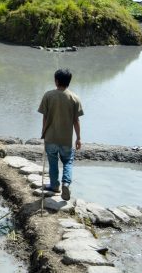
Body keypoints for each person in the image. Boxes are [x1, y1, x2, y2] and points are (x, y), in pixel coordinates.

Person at [37, 68, 83, 201]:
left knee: (52, 162)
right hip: (66, 140)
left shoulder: (48, 95)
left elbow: (45, 117)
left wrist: (43, 133)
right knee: (68, 162)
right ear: (69, 81)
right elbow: (76, 120)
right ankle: (66, 184)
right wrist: (78, 138)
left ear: (56, 81)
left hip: (50, 137)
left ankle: (54, 186)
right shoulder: (75, 98)